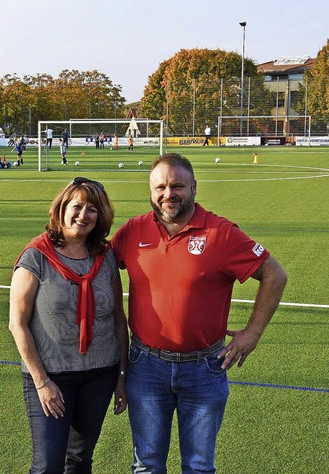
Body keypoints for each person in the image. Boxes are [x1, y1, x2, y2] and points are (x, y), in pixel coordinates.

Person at [111, 153, 287, 473]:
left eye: (177, 186)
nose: (168, 194)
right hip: (146, 366)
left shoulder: (222, 233)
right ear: (150, 191)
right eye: (160, 187)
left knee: (199, 466)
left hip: (204, 369)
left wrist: (252, 333)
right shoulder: (133, 231)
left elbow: (275, 275)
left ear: (194, 187)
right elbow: (97, 265)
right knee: (147, 464)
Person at [9, 177, 129, 473]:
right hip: (52, 377)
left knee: (79, 461)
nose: (83, 215)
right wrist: (42, 381)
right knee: (48, 465)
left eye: (92, 209)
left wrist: (122, 376)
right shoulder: (36, 256)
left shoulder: (106, 256)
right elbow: (17, 324)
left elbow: (118, 319)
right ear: (62, 208)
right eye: (77, 206)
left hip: (100, 374)